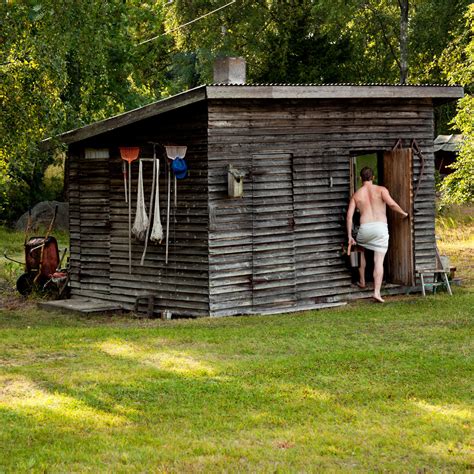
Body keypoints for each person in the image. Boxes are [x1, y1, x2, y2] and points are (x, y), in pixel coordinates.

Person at [346, 166, 409, 303]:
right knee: (378, 260)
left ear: (360, 178)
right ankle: (377, 292)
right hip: (380, 228)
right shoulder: (381, 190)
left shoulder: (357, 195)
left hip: (365, 228)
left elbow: (349, 217)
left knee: (360, 249)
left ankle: (362, 281)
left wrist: (350, 236)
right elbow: (391, 204)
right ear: (373, 177)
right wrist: (403, 213)